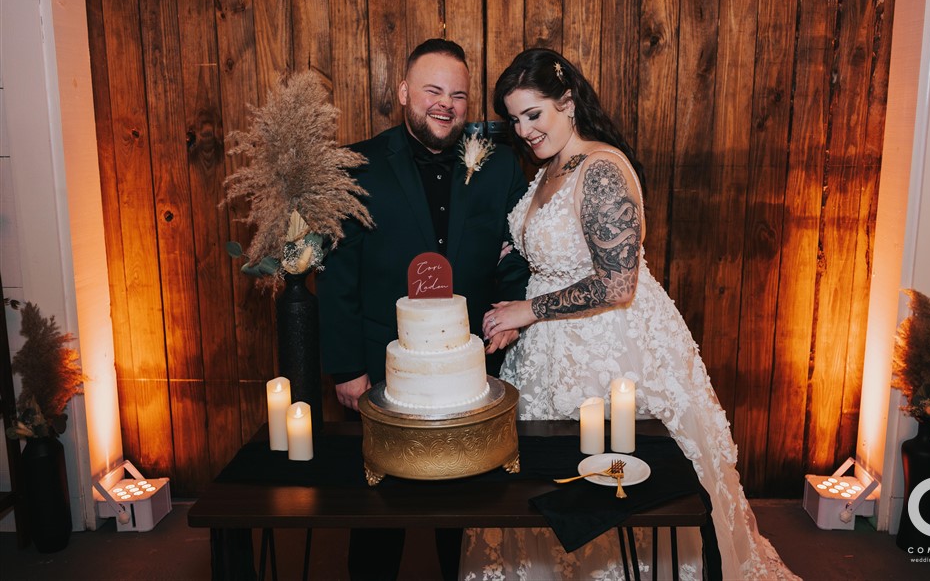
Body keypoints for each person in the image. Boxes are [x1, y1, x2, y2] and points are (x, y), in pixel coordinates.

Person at [460, 48, 800, 580]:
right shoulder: (552, 167)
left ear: (567, 102)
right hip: (548, 352)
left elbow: (618, 284)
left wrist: (528, 310)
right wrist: (513, 309)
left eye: (534, 114)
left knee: (614, 489)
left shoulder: (599, 169)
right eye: (514, 120)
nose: (524, 130)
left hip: (610, 350)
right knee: (551, 495)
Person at [317, 38, 530, 581]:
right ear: (404, 91)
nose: (446, 104)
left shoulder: (501, 166)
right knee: (377, 516)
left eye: (458, 95)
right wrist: (346, 368)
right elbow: (339, 276)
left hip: (468, 368)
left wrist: (506, 319)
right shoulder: (358, 165)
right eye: (433, 90)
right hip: (381, 370)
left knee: (465, 512)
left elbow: (514, 256)